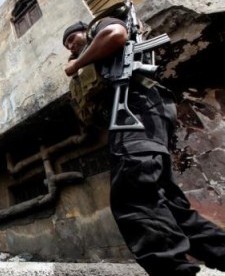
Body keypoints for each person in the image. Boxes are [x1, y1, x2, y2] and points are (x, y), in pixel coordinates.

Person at [62, 17, 225, 276]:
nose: (70, 46)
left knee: (134, 195)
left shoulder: (100, 29)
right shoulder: (95, 57)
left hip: (136, 109)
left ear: (86, 31)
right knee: (168, 205)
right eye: (67, 45)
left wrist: (77, 65)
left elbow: (115, 35)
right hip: (139, 113)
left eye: (73, 38)